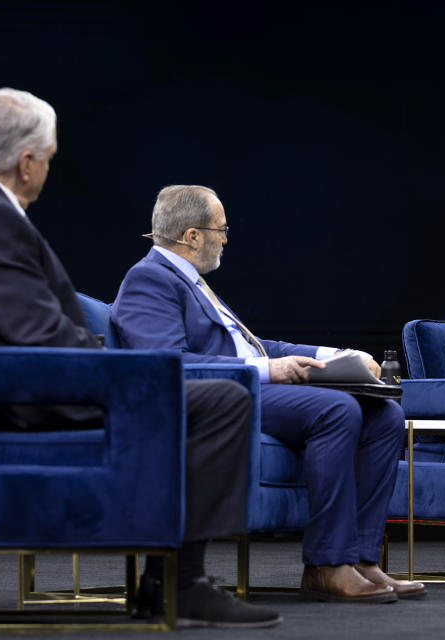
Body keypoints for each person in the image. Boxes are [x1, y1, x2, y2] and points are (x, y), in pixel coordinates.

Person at [0, 89, 281, 628]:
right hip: (29, 396)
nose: (48, 170)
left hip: (15, 381)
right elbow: (40, 338)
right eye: (50, 159)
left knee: (196, 393)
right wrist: (119, 366)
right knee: (221, 400)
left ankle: (164, 581)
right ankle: (184, 582)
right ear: (27, 161)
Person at [111, 185, 425, 603]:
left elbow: (258, 347)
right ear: (192, 236)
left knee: (383, 414)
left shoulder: (196, 284)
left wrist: (336, 354)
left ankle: (361, 559)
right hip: (221, 397)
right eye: (221, 229)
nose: (225, 238)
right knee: (336, 409)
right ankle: (327, 565)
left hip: (252, 386)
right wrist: (268, 371)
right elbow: (169, 362)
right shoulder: (149, 279)